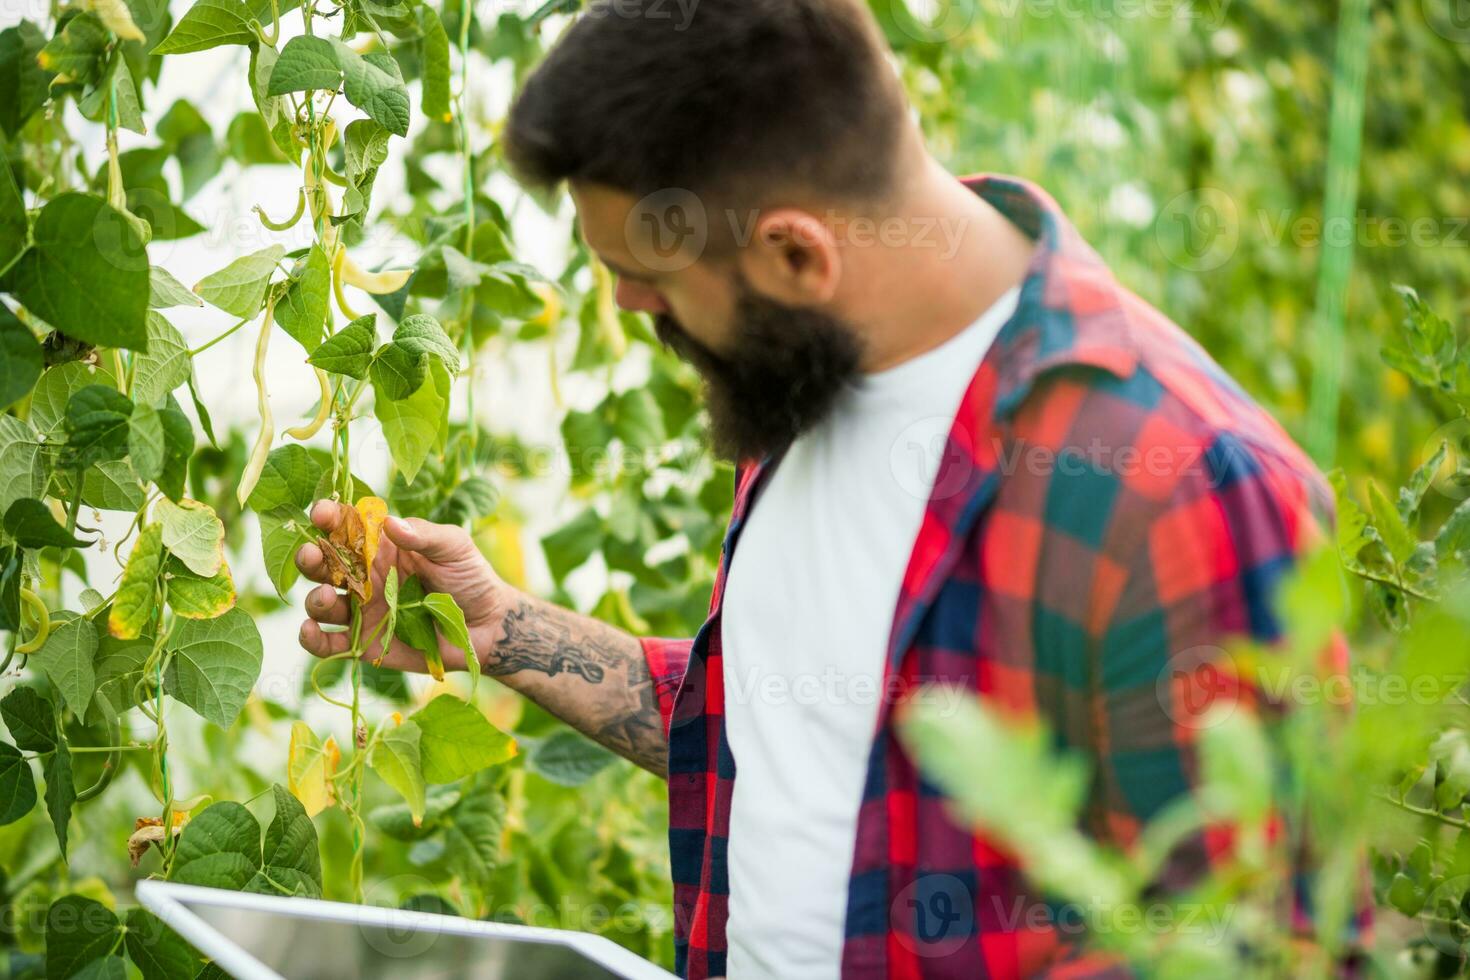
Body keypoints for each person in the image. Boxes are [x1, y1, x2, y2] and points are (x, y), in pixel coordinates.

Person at [297, 1, 1349, 976]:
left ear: (796, 255)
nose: (626, 305)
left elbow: (1264, 944)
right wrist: (500, 628)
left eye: (652, 282)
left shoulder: (1176, 491)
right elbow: (780, 723)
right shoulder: (804, 375)